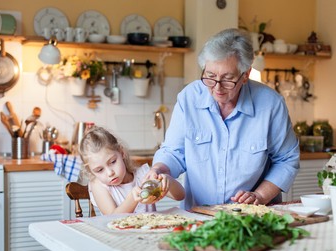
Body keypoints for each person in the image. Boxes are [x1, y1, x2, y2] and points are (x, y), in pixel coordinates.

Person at [147, 28, 300, 210]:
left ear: (245, 75)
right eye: (210, 76)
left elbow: (287, 160)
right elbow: (173, 152)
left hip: (251, 216)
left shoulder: (270, 104)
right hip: (198, 215)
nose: (217, 87)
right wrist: (159, 169)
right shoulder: (189, 98)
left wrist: (259, 195)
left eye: (228, 79)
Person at [78, 126, 185, 215]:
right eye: (100, 170)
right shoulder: (99, 185)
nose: (110, 173)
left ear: (122, 152)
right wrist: (132, 199)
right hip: (119, 239)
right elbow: (112, 218)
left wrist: (167, 181)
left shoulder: (144, 175)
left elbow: (180, 195)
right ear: (91, 172)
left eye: (113, 162)